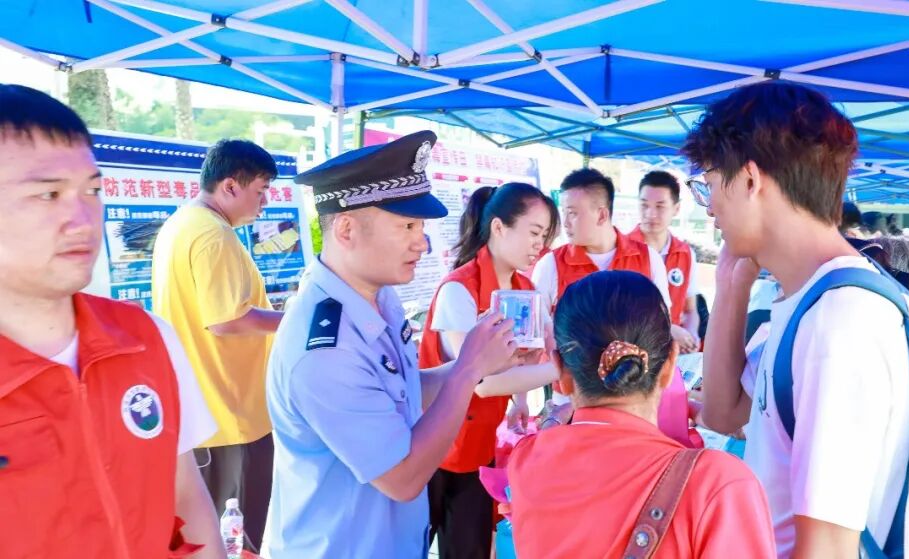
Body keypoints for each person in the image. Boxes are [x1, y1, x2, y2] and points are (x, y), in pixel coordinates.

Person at [263, 131, 524, 559]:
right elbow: (402, 478)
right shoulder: (324, 348)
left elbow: (399, 392)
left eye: (420, 226)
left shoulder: (380, 297)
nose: (421, 242)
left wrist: (484, 361)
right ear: (346, 229)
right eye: (406, 225)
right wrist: (464, 372)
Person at [687, 82, 909, 558]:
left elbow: (827, 549)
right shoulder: (810, 299)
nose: (709, 208)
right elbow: (724, 412)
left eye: (708, 186)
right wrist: (732, 287)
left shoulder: (840, 321)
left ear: (750, 181)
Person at [0, 84, 223, 558]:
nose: (82, 218)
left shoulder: (146, 338)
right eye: (48, 194)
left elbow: (185, 494)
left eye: (93, 190)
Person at [506, 271, 776, 558]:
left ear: (560, 371)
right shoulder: (718, 486)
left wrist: (549, 422)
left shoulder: (525, 461)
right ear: (671, 363)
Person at [151, 138, 283, 550]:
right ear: (230, 186)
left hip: (209, 411)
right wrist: (293, 320)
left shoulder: (183, 224)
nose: (264, 203)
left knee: (213, 538)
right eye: (259, 191)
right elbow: (227, 320)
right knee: (237, 540)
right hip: (230, 415)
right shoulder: (213, 236)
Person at [419, 182, 560, 558]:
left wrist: (519, 401)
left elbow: (527, 354)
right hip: (429, 447)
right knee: (405, 545)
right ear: (498, 227)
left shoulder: (525, 289)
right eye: (533, 233)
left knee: (470, 549)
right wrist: (563, 369)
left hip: (478, 448)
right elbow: (479, 380)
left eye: (544, 236)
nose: (538, 245)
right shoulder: (458, 290)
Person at [530, 168, 689, 354]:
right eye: (564, 212)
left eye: (572, 213)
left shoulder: (648, 260)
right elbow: (539, 333)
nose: (565, 222)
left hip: (634, 380)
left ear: (602, 215)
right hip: (571, 382)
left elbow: (660, 324)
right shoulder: (550, 265)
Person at [630, 170, 701, 349]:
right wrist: (669, 329)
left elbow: (690, 309)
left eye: (660, 206)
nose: (651, 214)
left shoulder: (685, 254)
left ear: (676, 209)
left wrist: (692, 333)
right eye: (644, 205)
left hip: (671, 353)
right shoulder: (622, 250)